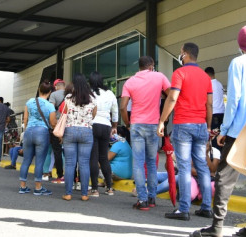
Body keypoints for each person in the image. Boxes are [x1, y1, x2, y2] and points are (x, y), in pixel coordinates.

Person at [191, 24, 246, 237]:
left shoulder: (238, 63)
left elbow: (234, 99)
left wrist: (224, 129)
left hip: (237, 129)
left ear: (240, 44)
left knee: (225, 176)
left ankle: (216, 227)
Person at [158, 42, 213, 221]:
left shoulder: (179, 73)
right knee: (202, 166)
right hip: (201, 125)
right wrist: (208, 125)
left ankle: (183, 209)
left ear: (185, 54)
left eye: (181, 53)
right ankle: (206, 207)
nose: (180, 55)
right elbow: (209, 104)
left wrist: (162, 120)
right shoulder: (205, 77)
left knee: (183, 167)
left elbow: (173, 97)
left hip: (183, 124)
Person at [120, 54, 171, 210]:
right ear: (151, 66)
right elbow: (171, 95)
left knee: (139, 163)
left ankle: (142, 200)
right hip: (154, 125)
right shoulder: (159, 77)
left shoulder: (130, 82)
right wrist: (163, 118)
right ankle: (152, 197)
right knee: (151, 162)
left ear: (139, 67)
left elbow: (123, 107)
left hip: (136, 124)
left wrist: (128, 123)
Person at [61, 73, 97, 202]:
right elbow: (93, 115)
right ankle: (84, 194)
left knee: (70, 163)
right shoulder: (92, 98)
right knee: (84, 163)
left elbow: (64, 113)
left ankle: (68, 193)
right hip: (86, 131)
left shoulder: (68, 98)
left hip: (70, 130)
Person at [19, 81, 57, 196]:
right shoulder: (50, 105)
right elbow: (53, 122)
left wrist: (26, 130)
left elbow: (25, 119)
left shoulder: (29, 101)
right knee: (39, 161)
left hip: (29, 131)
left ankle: (22, 186)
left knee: (26, 160)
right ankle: (38, 188)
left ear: (39, 90)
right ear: (49, 92)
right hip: (42, 132)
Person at [87, 71, 118, 197]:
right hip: (106, 126)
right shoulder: (110, 93)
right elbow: (115, 111)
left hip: (93, 125)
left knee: (93, 158)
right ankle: (109, 187)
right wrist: (114, 126)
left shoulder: (89, 93)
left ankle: (94, 189)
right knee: (103, 157)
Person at [48, 79, 66, 182]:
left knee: (57, 151)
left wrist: (52, 124)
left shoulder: (54, 95)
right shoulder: (71, 94)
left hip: (58, 126)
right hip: (68, 125)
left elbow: (51, 111)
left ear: (56, 86)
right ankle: (73, 176)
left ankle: (60, 175)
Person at [204, 67, 224, 143]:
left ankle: (214, 153)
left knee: (213, 137)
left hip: (213, 113)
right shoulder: (220, 84)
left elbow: (207, 102)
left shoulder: (208, 85)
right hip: (222, 113)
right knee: (219, 134)